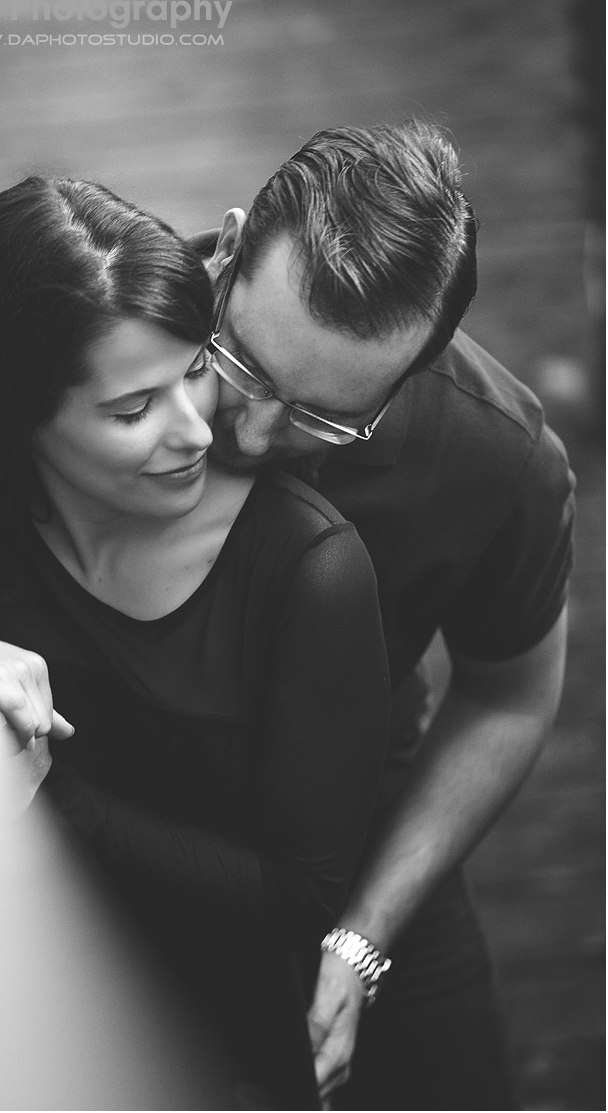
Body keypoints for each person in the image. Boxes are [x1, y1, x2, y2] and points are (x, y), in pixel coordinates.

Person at [0, 175, 390, 1110]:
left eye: (196, 367)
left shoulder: (308, 565)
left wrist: (48, 794)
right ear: (19, 414)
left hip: (212, 1046)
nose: (196, 430)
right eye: (131, 409)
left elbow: (301, 895)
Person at [191, 121, 574, 1110]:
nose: (255, 432)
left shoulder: (502, 458)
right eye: (242, 364)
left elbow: (508, 696)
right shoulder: (92, 323)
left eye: (322, 417)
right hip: (121, 807)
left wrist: (360, 941)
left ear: (415, 372)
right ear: (228, 250)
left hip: (362, 820)